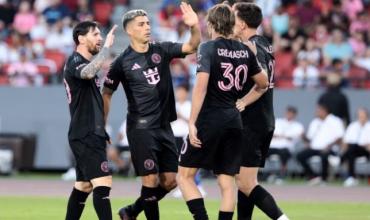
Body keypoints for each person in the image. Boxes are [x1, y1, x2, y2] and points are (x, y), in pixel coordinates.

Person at [102, 3, 201, 220]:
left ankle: (132, 211)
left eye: (148, 23)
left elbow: (192, 46)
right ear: (130, 30)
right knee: (150, 181)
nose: (147, 26)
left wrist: (195, 27)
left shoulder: (161, 49)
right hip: (141, 128)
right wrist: (101, 125)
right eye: (141, 24)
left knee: (170, 181)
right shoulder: (121, 62)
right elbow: (106, 92)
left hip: (164, 127)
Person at [177, 4, 268, 220]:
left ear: (211, 24)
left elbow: (201, 87)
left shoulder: (208, 48)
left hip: (209, 119)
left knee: (184, 176)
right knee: (226, 183)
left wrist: (191, 122)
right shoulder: (245, 49)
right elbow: (263, 83)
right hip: (234, 120)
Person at [232, 2, 289, 220]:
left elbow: (262, 83)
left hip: (252, 122)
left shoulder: (251, 47)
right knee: (245, 180)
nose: (232, 24)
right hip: (264, 120)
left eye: (234, 19)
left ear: (243, 24)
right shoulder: (265, 42)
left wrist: (243, 102)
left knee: (246, 183)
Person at [63, 21, 116, 220]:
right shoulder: (75, 61)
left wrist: (102, 129)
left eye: (100, 35)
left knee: (84, 186)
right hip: (85, 133)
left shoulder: (83, 63)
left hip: (90, 131)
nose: (100, 38)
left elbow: (92, 101)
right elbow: (88, 73)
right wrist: (107, 49)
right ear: (81, 38)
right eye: (95, 34)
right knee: (103, 182)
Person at [297, 103, 345, 185]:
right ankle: (313, 176)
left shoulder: (335, 120)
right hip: (315, 148)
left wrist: (329, 146)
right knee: (300, 155)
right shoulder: (315, 122)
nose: (316, 112)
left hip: (330, 148)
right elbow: (310, 138)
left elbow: (340, 137)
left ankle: (324, 179)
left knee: (324, 155)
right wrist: (303, 136)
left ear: (324, 111)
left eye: (318, 111)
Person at [268, 106, 304, 182]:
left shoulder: (298, 126)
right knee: (262, 152)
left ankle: (282, 174)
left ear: (295, 115)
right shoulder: (278, 121)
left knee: (284, 154)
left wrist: (281, 136)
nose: (289, 114)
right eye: (288, 112)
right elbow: (272, 134)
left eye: (291, 113)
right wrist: (285, 136)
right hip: (274, 146)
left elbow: (295, 137)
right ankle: (269, 174)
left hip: (286, 148)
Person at [341, 107, 370, 187]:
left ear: (367, 116)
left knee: (351, 150)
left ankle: (341, 159)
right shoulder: (353, 126)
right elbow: (345, 141)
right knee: (351, 150)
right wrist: (344, 148)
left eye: (363, 116)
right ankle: (351, 177)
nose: (361, 118)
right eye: (359, 116)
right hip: (353, 150)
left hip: (366, 150)